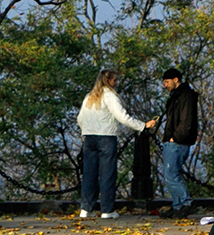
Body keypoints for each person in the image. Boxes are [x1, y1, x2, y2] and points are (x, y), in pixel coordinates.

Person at [76, 69, 151, 219]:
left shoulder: (89, 97)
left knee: (89, 174)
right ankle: (107, 209)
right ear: (108, 81)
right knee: (107, 174)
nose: (116, 83)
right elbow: (122, 117)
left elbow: (80, 118)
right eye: (115, 80)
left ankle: (86, 208)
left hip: (89, 137)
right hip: (106, 137)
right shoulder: (110, 97)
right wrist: (142, 125)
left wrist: (86, 131)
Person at [157, 67, 199, 215]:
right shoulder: (179, 96)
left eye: (167, 82)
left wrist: (175, 137)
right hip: (176, 140)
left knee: (171, 173)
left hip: (177, 141)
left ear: (176, 80)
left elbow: (186, 120)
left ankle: (184, 203)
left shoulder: (184, 96)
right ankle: (178, 205)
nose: (165, 85)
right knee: (172, 173)